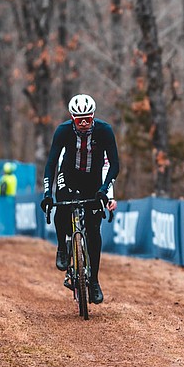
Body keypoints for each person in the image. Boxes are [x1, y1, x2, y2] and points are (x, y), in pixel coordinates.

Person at [41, 94, 119, 305]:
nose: (84, 123)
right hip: (69, 176)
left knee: (94, 231)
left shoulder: (104, 130)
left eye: (88, 118)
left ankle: (93, 281)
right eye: (79, 119)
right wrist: (48, 194)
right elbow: (50, 165)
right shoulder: (63, 131)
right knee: (63, 207)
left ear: (93, 116)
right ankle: (61, 247)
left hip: (92, 180)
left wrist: (105, 190)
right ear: (72, 117)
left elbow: (114, 165)